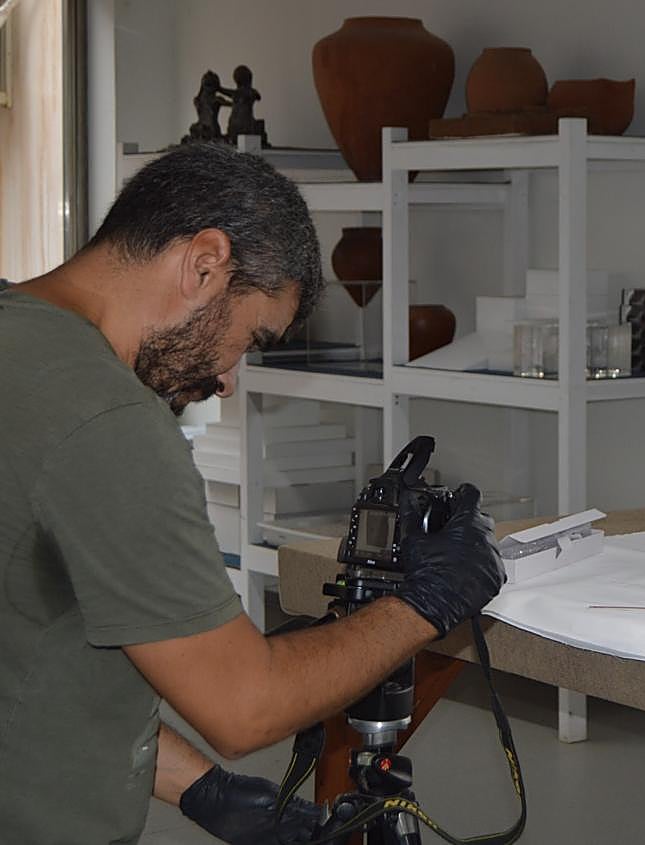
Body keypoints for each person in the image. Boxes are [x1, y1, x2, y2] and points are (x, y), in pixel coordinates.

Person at [0, 142, 506, 843]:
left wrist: (202, 788)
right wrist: (422, 603)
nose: (230, 378)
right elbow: (245, 708)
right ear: (204, 262)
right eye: (250, 337)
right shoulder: (108, 423)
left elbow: (32, 645)